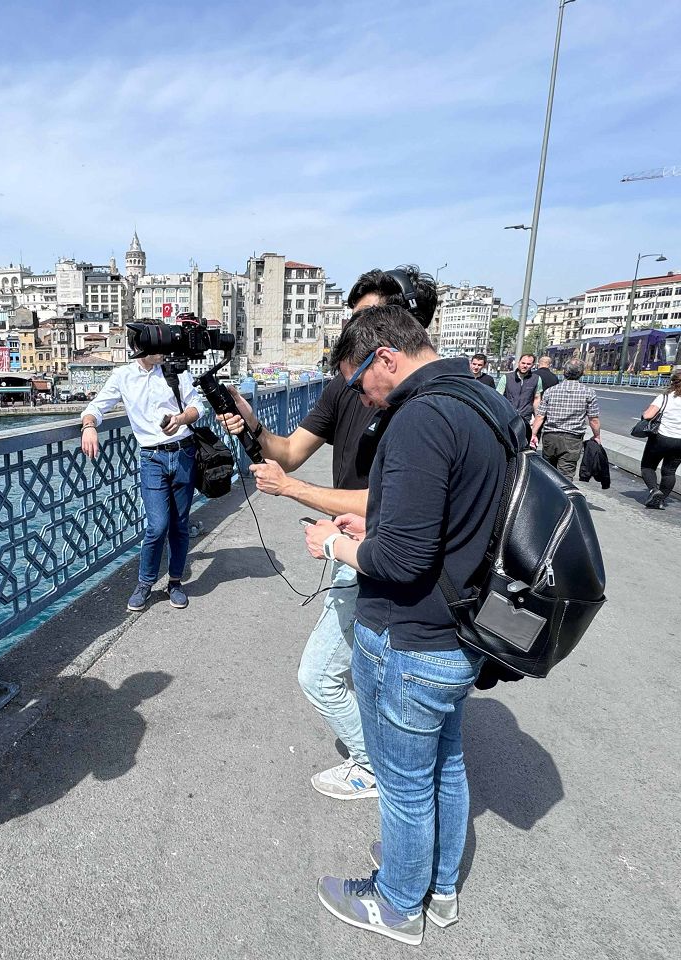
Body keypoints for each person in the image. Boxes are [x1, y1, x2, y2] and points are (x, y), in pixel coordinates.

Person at [304, 304, 519, 945]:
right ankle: (441, 888)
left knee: (402, 784)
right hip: (463, 630)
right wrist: (376, 525)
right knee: (446, 765)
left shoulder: (418, 418)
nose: (359, 397)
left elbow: (399, 563)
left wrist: (332, 544)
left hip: (410, 637)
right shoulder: (484, 402)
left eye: (358, 381)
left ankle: (398, 903)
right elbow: (459, 519)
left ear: (385, 358)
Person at [219, 266, 438, 802]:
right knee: (369, 669)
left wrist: (294, 492)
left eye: (371, 319)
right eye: (354, 320)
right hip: (352, 545)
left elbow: (395, 504)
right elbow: (287, 450)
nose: (358, 334)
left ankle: (376, 767)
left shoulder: (415, 406)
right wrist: (250, 423)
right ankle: (398, 762)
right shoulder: (348, 386)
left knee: (323, 674)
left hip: (383, 548)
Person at [81, 341, 202, 611]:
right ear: (139, 349)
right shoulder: (123, 376)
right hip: (152, 458)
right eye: (156, 346)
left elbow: (198, 406)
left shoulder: (175, 370)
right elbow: (96, 407)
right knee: (157, 526)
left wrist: (181, 419)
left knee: (179, 525)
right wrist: (89, 426)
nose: (163, 351)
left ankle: (174, 582)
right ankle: (145, 583)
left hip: (184, 453)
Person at [639, 371, 681, 509]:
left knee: (647, 466)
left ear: (672, 383)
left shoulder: (664, 398)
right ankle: (661, 500)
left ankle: (654, 490)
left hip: (661, 438)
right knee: (669, 472)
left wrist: (645, 415)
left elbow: (648, 415)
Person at [530, 361, 600, 480]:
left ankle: (548, 495)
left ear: (564, 372)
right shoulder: (589, 392)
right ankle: (564, 496)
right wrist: (597, 436)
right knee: (566, 474)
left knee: (548, 471)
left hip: (550, 437)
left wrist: (534, 434)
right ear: (582, 373)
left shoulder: (550, 391)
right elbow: (593, 419)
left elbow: (540, 416)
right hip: (572, 439)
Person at [496, 353, 543, 426]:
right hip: (508, 416)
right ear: (518, 363)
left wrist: (537, 418)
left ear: (532, 365)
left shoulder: (536, 379)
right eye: (523, 363)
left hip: (525, 418)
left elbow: (537, 399)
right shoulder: (506, 378)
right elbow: (498, 397)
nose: (525, 366)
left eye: (528, 364)